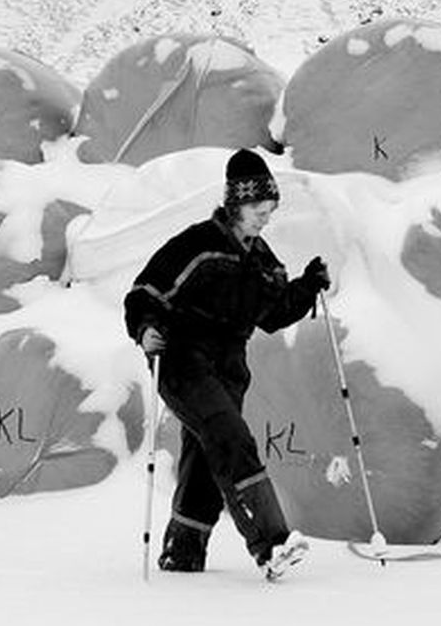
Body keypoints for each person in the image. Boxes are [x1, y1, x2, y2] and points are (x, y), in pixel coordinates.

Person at [124, 148, 331, 579]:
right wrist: (145, 328)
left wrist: (307, 287)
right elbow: (145, 292)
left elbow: (272, 315)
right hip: (182, 361)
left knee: (206, 457)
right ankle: (272, 543)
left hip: (229, 371)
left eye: (270, 209)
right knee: (230, 438)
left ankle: (182, 552)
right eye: (258, 208)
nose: (264, 217)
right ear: (236, 203)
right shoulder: (197, 245)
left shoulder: (263, 260)